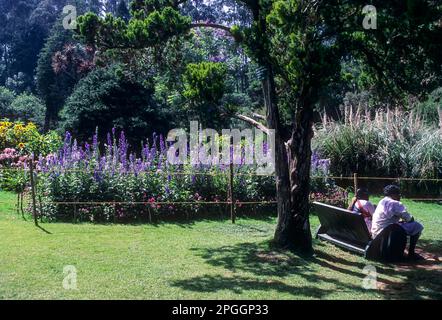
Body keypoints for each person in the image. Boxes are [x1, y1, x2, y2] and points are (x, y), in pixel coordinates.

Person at [371, 185, 424, 260]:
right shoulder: (395, 203)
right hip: (387, 234)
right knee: (417, 226)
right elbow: (409, 219)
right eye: (398, 194)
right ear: (393, 194)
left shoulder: (382, 201)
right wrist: (408, 219)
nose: (400, 196)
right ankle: (411, 253)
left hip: (376, 234)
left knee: (400, 225)